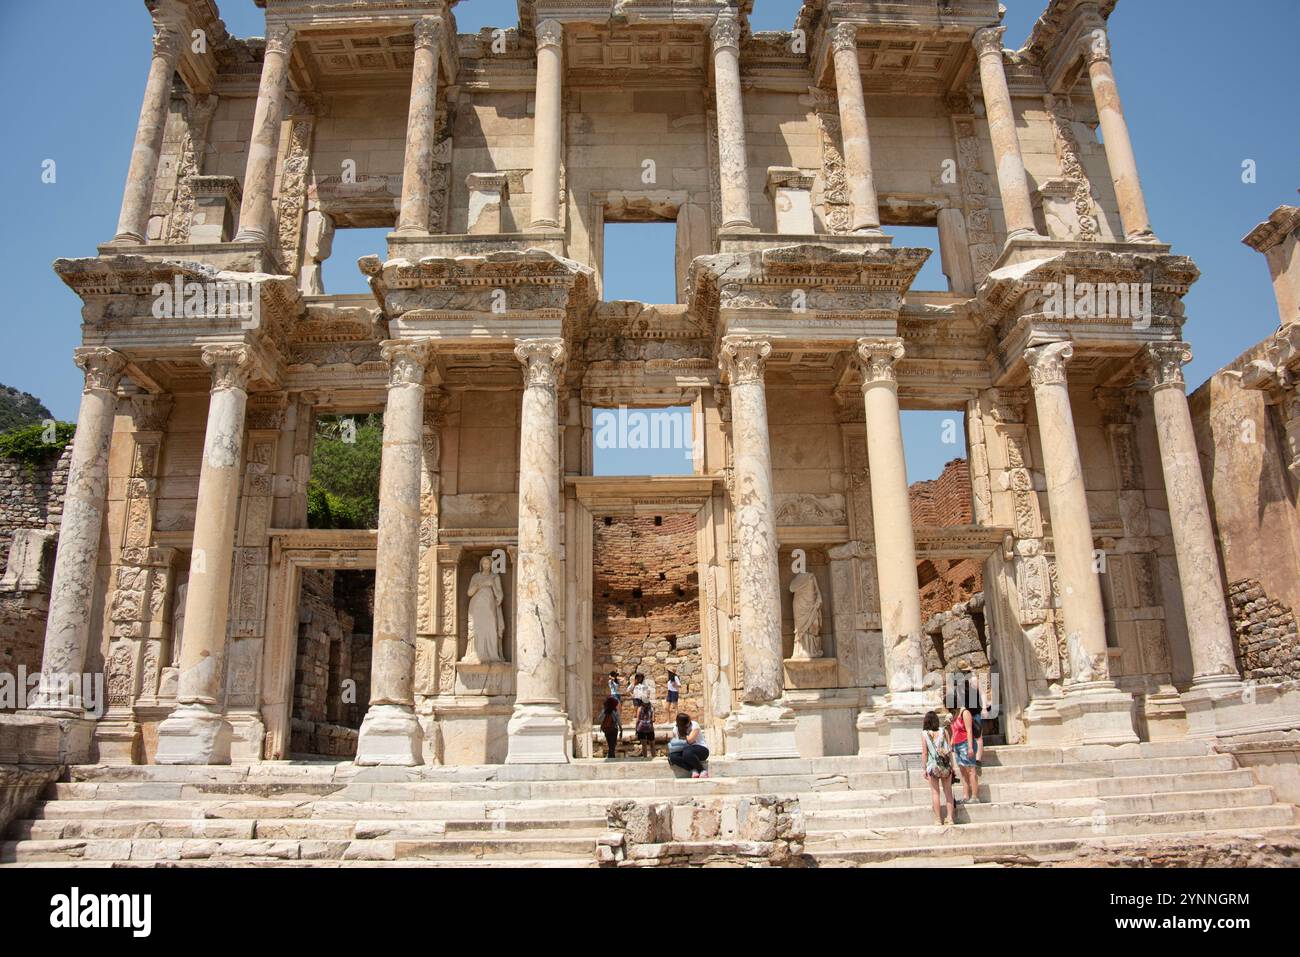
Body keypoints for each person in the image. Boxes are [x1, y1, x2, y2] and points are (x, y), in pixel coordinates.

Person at [921, 710, 956, 826]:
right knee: (948, 792)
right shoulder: (944, 731)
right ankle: (950, 818)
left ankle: (938, 819)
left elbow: (925, 753)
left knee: (935, 793)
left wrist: (924, 769)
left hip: (933, 766)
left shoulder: (925, 734)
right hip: (946, 764)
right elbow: (950, 750)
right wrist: (953, 766)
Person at [950, 691, 979, 804]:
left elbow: (969, 730)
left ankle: (975, 796)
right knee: (962, 771)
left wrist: (970, 747)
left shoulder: (965, 713)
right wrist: (952, 743)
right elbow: (954, 731)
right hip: (957, 745)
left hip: (966, 744)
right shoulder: (955, 714)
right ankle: (966, 795)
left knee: (971, 770)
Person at [667, 713, 709, 778]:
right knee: (673, 757)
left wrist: (682, 733)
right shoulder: (675, 729)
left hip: (701, 750)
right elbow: (676, 743)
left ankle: (702, 770)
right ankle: (692, 770)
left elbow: (690, 741)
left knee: (687, 752)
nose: (690, 722)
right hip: (685, 750)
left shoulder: (694, 725)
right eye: (688, 721)